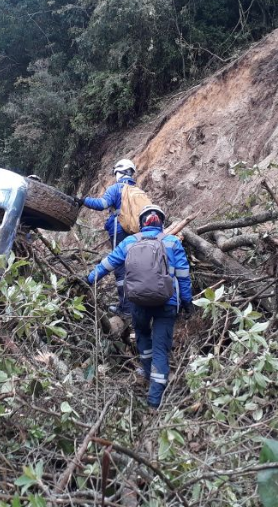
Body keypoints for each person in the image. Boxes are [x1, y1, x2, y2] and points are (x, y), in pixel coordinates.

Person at [87, 204, 192, 409]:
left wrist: (88, 279)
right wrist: (187, 302)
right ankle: (154, 401)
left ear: (141, 222)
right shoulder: (172, 242)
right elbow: (183, 276)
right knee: (161, 348)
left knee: (143, 335)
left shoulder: (129, 242)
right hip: (166, 303)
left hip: (137, 303)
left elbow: (107, 264)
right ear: (161, 222)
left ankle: (145, 370)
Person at [76, 158, 139, 314]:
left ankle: (126, 309)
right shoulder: (138, 191)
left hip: (120, 231)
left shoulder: (116, 189)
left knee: (120, 268)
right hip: (137, 233)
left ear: (119, 173)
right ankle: (137, 304)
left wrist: (83, 201)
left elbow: (102, 205)